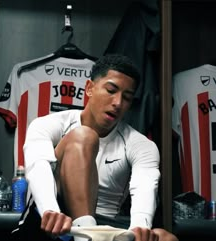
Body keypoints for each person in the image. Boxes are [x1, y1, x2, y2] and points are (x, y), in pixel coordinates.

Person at [12, 54, 178, 241]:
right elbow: (38, 165)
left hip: (105, 227)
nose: (118, 103)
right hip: (53, 219)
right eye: (111, 90)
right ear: (90, 88)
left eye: (127, 97)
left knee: (166, 238)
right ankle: (86, 235)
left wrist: (140, 226)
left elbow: (145, 185)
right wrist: (49, 209)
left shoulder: (140, 144)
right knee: (84, 136)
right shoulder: (48, 124)